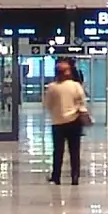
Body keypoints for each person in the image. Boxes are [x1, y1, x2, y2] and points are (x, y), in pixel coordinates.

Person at [43, 57, 90, 185]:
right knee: (74, 151)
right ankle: (75, 177)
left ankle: (56, 176)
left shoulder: (52, 87)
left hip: (58, 123)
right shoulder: (76, 86)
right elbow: (82, 102)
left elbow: (47, 104)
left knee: (58, 151)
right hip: (74, 121)